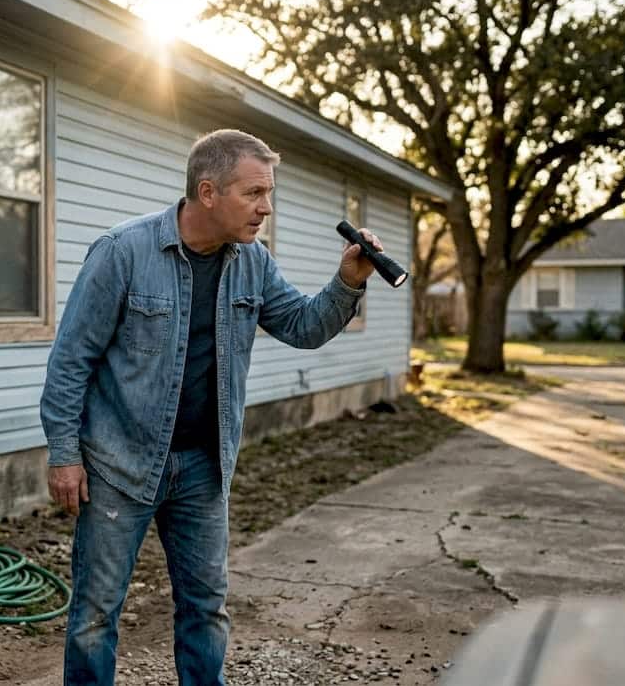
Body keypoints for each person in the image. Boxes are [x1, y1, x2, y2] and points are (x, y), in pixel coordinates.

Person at [40, 129, 382, 686]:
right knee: (95, 616)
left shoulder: (253, 262)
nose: (265, 208)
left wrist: (347, 281)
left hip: (203, 467)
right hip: (117, 465)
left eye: (267, 194)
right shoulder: (123, 252)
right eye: (253, 194)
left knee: (205, 609)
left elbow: (302, 325)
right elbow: (70, 360)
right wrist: (64, 454)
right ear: (208, 192)